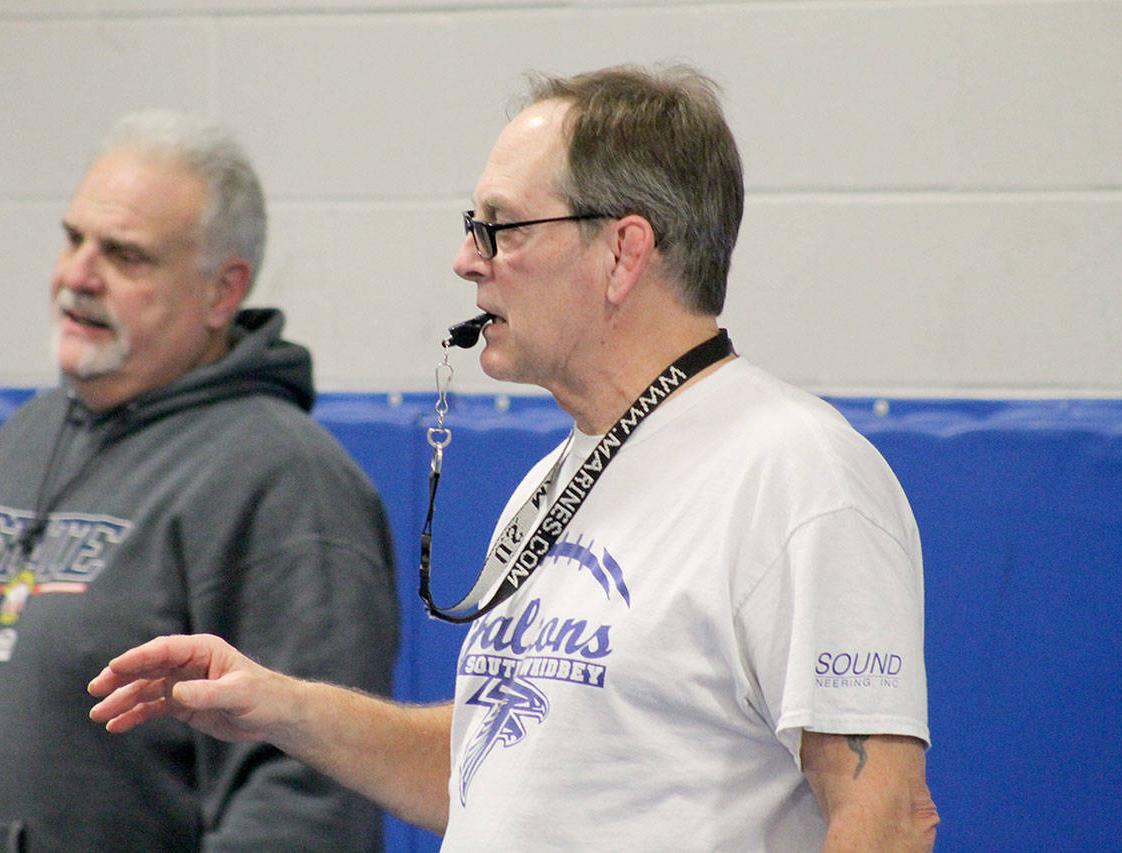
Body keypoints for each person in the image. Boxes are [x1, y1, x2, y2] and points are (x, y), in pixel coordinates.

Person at [89, 66, 939, 849]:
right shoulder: (556, 479)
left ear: (623, 253)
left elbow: (888, 816)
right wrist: (280, 706)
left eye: (500, 228)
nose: (469, 261)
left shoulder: (798, 474)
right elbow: (483, 774)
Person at [0, 110, 399, 852]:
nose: (76, 277)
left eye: (124, 255)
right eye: (73, 239)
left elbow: (303, 807)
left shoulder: (289, 482)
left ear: (223, 291)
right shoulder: (24, 441)